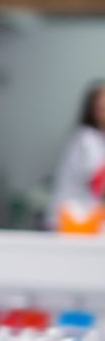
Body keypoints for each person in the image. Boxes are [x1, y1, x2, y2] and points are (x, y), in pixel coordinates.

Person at [48, 80, 105, 229]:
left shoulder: (99, 140)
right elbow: (98, 182)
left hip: (84, 217)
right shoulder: (86, 140)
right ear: (93, 111)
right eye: (101, 108)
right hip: (73, 219)